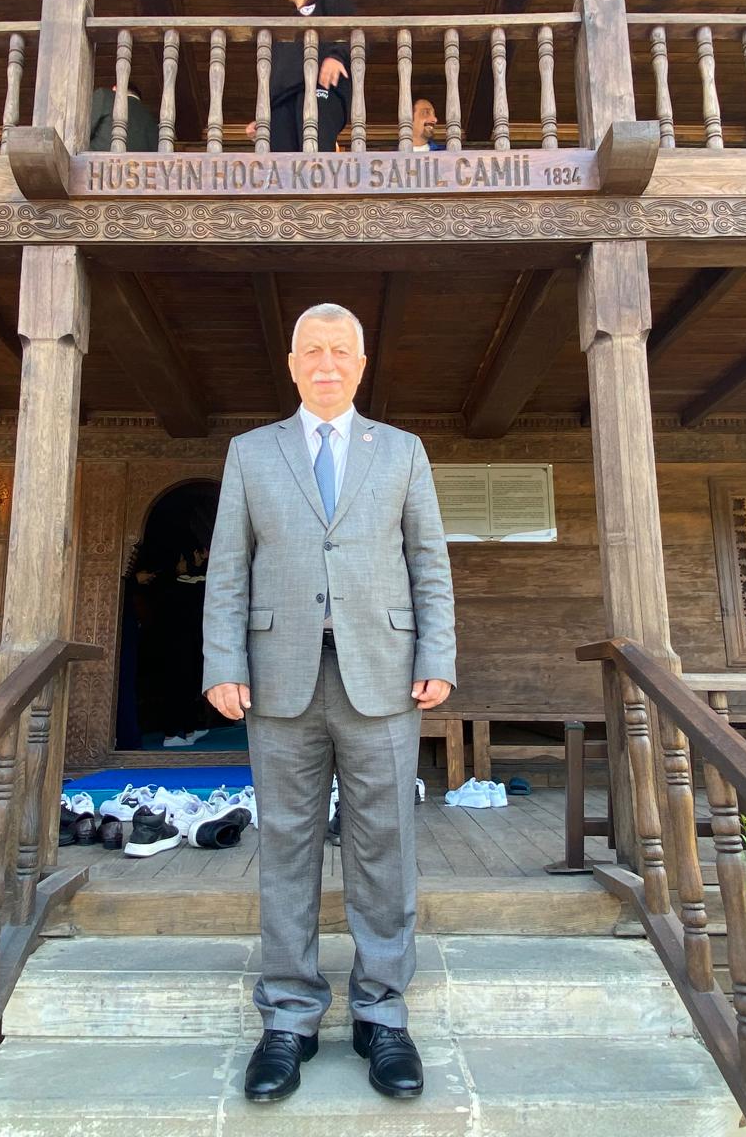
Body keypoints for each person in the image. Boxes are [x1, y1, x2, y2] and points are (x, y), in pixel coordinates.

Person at [202, 302, 455, 1103]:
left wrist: (437, 655)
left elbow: (429, 561)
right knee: (286, 847)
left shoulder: (402, 451)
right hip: (279, 676)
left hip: (384, 673)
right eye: (312, 350)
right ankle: (289, 1018)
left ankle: (383, 1015)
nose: (326, 363)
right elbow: (228, 567)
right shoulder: (251, 452)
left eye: (340, 351)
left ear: (361, 363)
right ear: (291, 364)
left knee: (387, 847)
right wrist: (222, 662)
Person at [264, 0, 356, 153]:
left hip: (320, 87)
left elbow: (355, 33)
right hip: (282, 103)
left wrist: (337, 57)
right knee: (282, 165)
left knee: (315, 155)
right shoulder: (284, 27)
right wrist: (264, 116)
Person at [90, 85, 160, 153]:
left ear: (115, 88)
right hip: (138, 160)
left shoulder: (105, 95)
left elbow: (85, 129)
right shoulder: (152, 119)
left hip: (97, 158)